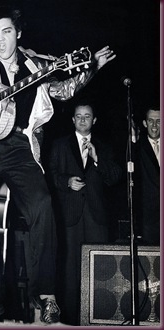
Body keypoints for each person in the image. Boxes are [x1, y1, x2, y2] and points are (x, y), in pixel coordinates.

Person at [0, 5, 116, 323]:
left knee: (42, 204)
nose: (1, 42)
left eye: (7, 33)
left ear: (19, 33)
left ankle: (46, 294)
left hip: (18, 145)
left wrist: (91, 66)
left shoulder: (36, 63)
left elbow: (64, 90)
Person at [48, 100, 122, 325]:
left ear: (94, 120)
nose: (82, 120)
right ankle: (70, 321)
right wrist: (66, 181)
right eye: (78, 116)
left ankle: (96, 320)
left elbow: (115, 178)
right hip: (69, 218)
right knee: (70, 273)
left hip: (97, 219)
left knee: (98, 272)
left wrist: (98, 159)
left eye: (87, 116)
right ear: (72, 119)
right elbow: (49, 176)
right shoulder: (60, 145)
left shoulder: (104, 146)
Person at [134, 106, 160, 245]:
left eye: (159, 121)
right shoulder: (136, 148)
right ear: (144, 123)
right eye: (151, 120)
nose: (154, 125)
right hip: (148, 220)